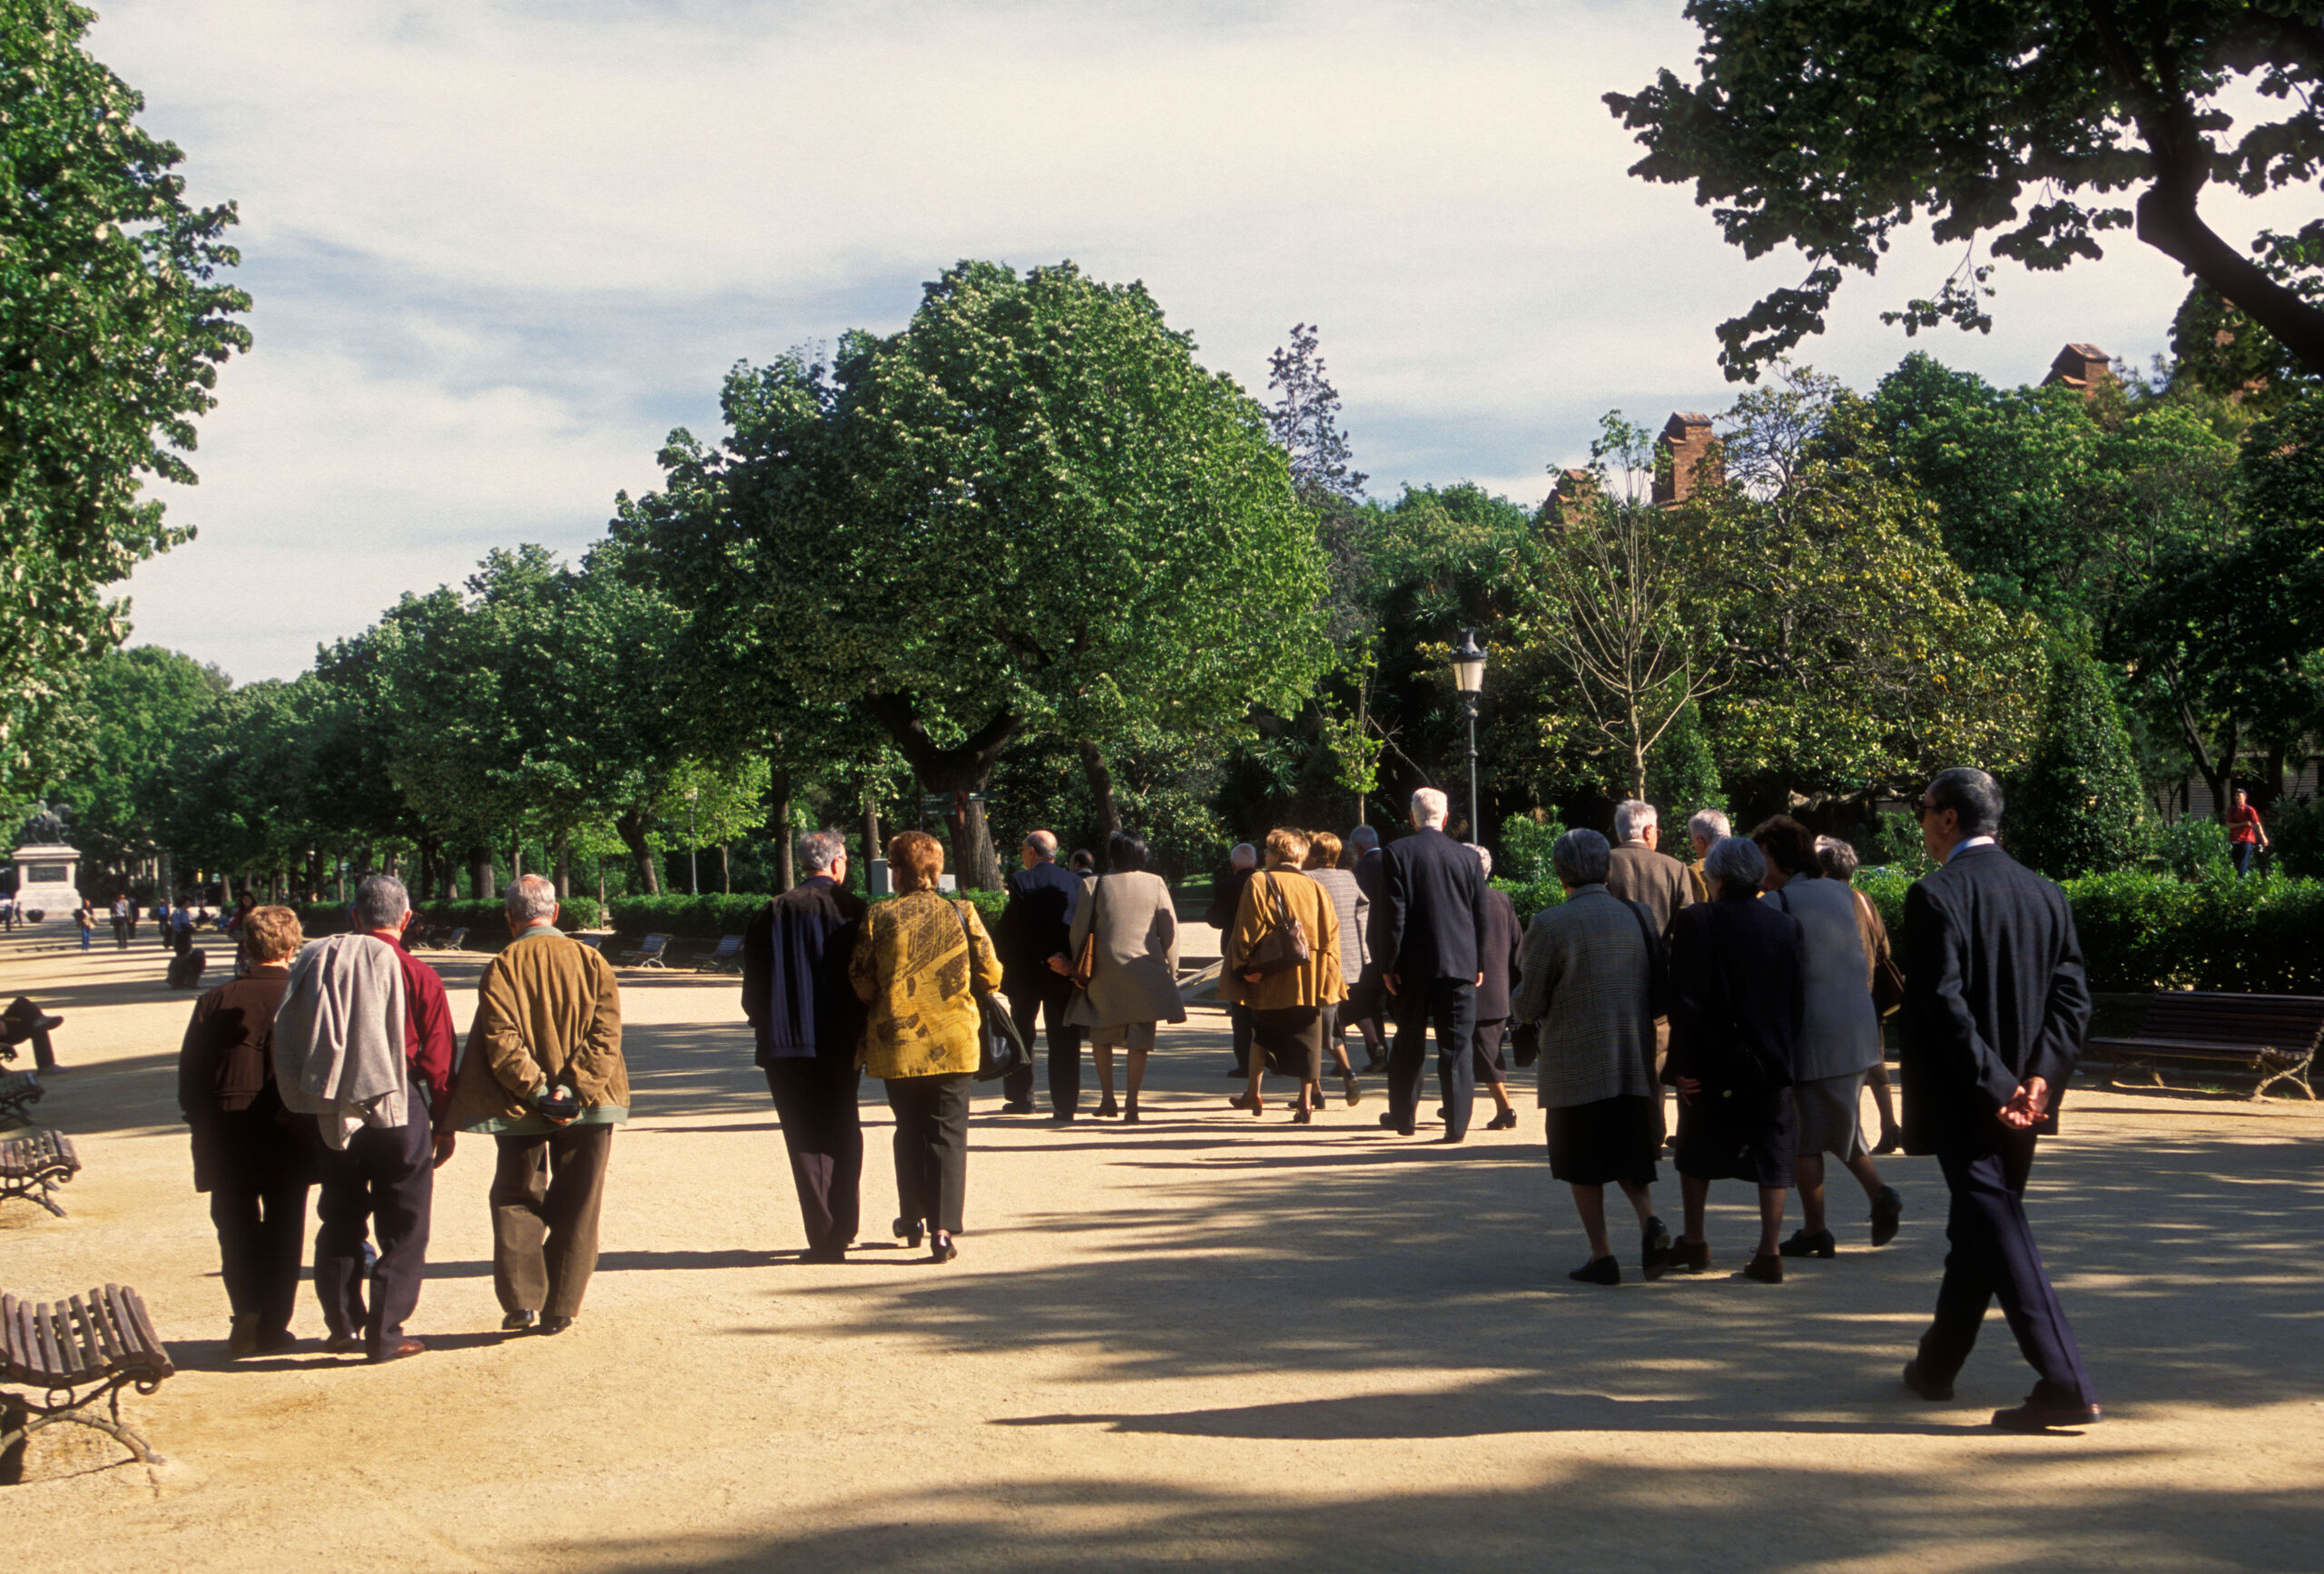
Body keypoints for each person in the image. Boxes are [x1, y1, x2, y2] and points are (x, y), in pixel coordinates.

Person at [1898, 767, 2101, 1431]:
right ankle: (1936, 1366)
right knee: (1980, 1229)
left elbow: (1943, 1009)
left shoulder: (1934, 896)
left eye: (1924, 809)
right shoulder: (2046, 893)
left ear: (1950, 818)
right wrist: (2040, 1078)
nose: (1921, 820)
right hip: (2029, 1102)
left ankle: (2065, 1380)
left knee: (1998, 1229)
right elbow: (2073, 999)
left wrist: (1998, 1086)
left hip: (1970, 1101)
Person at [272, 875, 457, 1362]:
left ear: (354, 917)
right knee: (405, 1222)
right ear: (406, 919)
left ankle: (342, 1325)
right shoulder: (419, 974)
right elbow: (438, 1062)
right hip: (401, 1107)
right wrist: (443, 1121)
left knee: (339, 1215)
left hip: (332, 1107)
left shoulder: (320, 967)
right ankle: (387, 1331)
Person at [448, 874, 627, 1334]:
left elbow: (500, 1040)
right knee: (580, 1201)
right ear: (556, 911)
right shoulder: (591, 961)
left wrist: (539, 1091)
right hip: (591, 1103)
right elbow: (605, 1035)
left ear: (510, 917)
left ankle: (524, 1300)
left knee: (515, 1196)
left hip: (516, 1104)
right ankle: (562, 1305)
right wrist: (573, 1089)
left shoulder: (503, 964)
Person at [1512, 830, 1673, 1284]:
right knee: (1629, 1153)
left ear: (1561, 873)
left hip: (1575, 1062)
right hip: (1632, 1057)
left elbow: (1528, 1005)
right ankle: (1649, 1220)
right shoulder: (1639, 916)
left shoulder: (1551, 923)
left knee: (1582, 1162)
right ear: (1607, 869)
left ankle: (1602, 1255)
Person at [1751, 816, 1904, 1258]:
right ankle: (1825, 1224)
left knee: (1807, 1135)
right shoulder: (1842, 893)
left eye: (1762, 853)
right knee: (1835, 1129)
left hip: (1812, 1035)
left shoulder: (1778, 902)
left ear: (1779, 855)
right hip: (1856, 1030)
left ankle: (1858, 1205)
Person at [852, 831, 1002, 1262]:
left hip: (898, 1043)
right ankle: (943, 1229)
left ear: (896, 871)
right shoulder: (962, 911)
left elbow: (860, 977)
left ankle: (911, 1217)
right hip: (954, 1041)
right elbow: (991, 973)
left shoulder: (877, 916)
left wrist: (887, 999)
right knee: (949, 1134)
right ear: (936, 870)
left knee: (908, 1128)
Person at [1665, 837, 1805, 1284]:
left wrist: (1679, 1066)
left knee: (1695, 1148)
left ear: (1716, 878)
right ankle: (1769, 1251)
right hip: (1771, 1059)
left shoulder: (1695, 921)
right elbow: (1796, 1000)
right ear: (1759, 877)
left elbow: (1685, 999)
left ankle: (1694, 1239)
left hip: (1710, 1058)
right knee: (1774, 1152)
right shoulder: (1785, 926)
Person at [177, 905, 315, 1355]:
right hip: (287, 1129)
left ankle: (246, 1312)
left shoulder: (214, 1000)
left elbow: (190, 1078)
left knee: (234, 1226)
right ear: (293, 947)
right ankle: (275, 1323)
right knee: (284, 1226)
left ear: (246, 946)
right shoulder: (305, 999)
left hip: (227, 1130)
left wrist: (202, 1124)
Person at [742, 831, 866, 1262]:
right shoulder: (855, 911)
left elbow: (752, 990)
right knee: (844, 1127)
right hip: (842, 1039)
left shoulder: (772, 911)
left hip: (785, 1042)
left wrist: (766, 1023)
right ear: (835, 864)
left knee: (804, 1137)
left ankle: (824, 1234)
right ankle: (845, 1225)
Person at [1375, 788, 1489, 1142]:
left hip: (1411, 966)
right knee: (1456, 1046)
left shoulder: (1397, 852)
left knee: (1408, 1042)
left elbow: (1394, 915)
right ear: (1445, 817)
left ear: (1412, 817)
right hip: (1458, 964)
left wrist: (1388, 963)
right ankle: (1455, 1127)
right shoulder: (1467, 858)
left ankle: (1404, 1119)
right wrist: (1478, 961)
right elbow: (1478, 915)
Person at [1222, 827, 1344, 1123]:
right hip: (1310, 974)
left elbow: (1247, 931)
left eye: (1267, 851)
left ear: (1277, 854)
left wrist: (1244, 969)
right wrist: (1329, 977)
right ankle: (1306, 1102)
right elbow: (1331, 934)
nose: (1264, 855)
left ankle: (1253, 1092)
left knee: (1261, 1034)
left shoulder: (1259, 881)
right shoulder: (1316, 887)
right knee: (1309, 1036)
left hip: (1271, 974)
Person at [1066, 830, 1184, 1121]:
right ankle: (1133, 1102)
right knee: (1139, 1039)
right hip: (1145, 969)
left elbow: (1079, 931)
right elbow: (1169, 932)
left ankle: (1108, 1099)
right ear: (1141, 854)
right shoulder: (1155, 883)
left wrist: (1075, 966)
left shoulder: (1094, 884)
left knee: (1101, 1035)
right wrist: (1171, 967)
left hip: (1105, 970)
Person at [1817, 835, 1905, 1153]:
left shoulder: (1824, 902)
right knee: (1874, 1062)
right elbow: (1885, 948)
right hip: (1867, 997)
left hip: (1832, 995)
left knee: (1837, 1065)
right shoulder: (1864, 899)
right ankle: (1889, 1125)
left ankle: (1847, 1133)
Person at [993, 831, 1085, 1120]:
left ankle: (1022, 1097)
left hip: (1028, 971)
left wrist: (1039, 957)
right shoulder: (1075, 881)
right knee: (1064, 1039)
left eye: (1022, 849)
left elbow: (1018, 928)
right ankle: (1065, 1104)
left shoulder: (1021, 880)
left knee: (1022, 1033)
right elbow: (1081, 926)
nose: (1022, 853)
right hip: (1064, 971)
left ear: (1032, 852)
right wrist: (1067, 961)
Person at [1303, 831, 1367, 1107]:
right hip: (1347, 965)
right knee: (1326, 1023)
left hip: (1318, 965)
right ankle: (1316, 1090)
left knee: (1314, 1029)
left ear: (1313, 854)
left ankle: (1325, 1085)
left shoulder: (1308, 880)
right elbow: (1363, 912)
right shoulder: (1348, 877)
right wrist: (1361, 953)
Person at [1467, 844, 1523, 1132]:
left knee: (1487, 1055)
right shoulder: (1502, 899)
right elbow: (1518, 948)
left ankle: (1505, 1107)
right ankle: (1455, 1100)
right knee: (1484, 1051)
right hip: (1499, 991)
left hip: (1476, 992)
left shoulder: (1464, 901)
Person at [1202, 842, 1260, 1079]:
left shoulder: (1227, 885)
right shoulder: (1267, 882)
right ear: (1255, 863)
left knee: (1241, 1009)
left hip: (1236, 951)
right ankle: (1274, 1058)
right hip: (1267, 952)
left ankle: (1245, 1063)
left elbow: (1215, 919)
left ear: (1233, 864)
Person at [1606, 800, 1694, 938]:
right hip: (1661, 957)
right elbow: (1687, 927)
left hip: (1613, 957)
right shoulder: (1676, 868)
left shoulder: (1601, 863)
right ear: (1648, 831)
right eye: (1657, 831)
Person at [1344, 824, 1390, 1072]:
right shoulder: (1394, 862)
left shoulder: (1359, 870)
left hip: (1367, 945)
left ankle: (1375, 1052)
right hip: (1394, 944)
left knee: (1365, 1002)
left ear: (1359, 847)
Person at [1684, 809, 1733, 904]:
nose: (1694, 847)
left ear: (1700, 841)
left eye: (1693, 843)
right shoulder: (1748, 862)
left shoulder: (1695, 872)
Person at [2226, 788, 2270, 877]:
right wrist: (2244, 824)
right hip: (2235, 838)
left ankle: (2242, 882)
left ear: (2244, 797)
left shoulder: (2249, 809)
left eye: (2239, 796)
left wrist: (2263, 837)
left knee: (2244, 862)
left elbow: (2257, 823)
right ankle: (2244, 880)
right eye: (2236, 796)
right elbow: (2228, 824)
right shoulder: (2232, 809)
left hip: (2247, 838)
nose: (2237, 797)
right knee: (2236, 863)